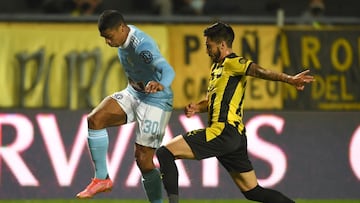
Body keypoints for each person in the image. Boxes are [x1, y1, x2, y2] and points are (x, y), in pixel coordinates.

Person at [156, 22, 315, 203]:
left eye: (209, 46)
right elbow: (213, 102)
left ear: (222, 45)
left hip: (223, 132)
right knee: (253, 191)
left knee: (164, 153)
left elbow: (259, 71)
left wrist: (289, 79)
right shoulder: (216, 68)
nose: (207, 50)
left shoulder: (234, 62)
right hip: (235, 137)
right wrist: (197, 107)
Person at [76, 10, 175, 203]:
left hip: (156, 100)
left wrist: (161, 83)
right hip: (134, 92)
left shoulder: (142, 46)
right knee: (95, 119)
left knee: (143, 160)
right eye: (104, 38)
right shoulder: (122, 40)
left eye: (110, 37)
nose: (108, 42)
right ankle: (101, 178)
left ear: (122, 28)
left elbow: (168, 70)